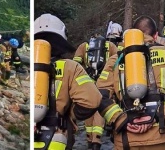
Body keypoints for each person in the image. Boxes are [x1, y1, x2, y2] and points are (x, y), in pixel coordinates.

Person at [96, 15, 165, 150]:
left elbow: (99, 95)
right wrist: (161, 115)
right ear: (155, 36)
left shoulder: (115, 60)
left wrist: (120, 119)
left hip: (127, 140)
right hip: (161, 137)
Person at [34, 13, 126, 150]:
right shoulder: (69, 67)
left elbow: (78, 59)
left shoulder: (30, 67)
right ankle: (95, 140)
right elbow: (92, 101)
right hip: (56, 137)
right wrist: (70, 115)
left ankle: (91, 138)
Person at [74, 33, 119, 150]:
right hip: (104, 83)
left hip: (88, 82)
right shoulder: (111, 46)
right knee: (101, 108)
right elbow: (118, 61)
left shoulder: (84, 46)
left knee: (89, 107)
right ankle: (96, 139)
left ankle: (89, 138)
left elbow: (76, 64)